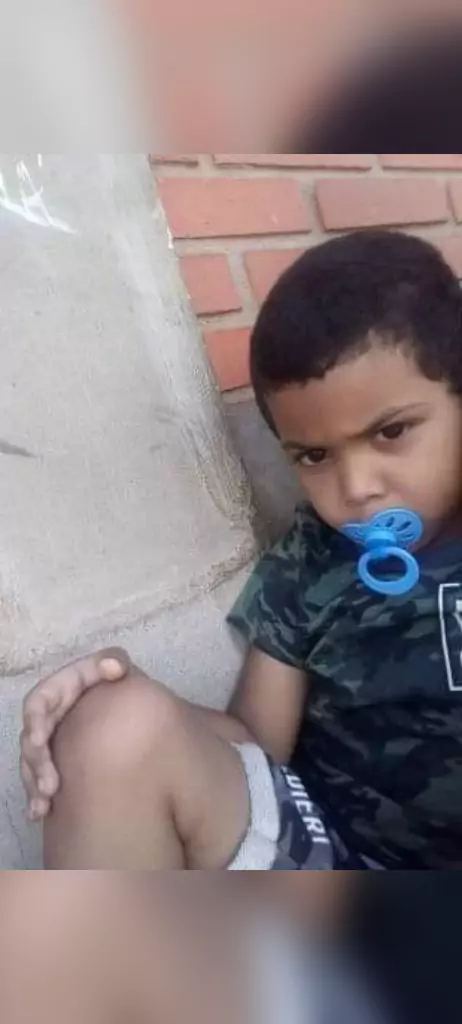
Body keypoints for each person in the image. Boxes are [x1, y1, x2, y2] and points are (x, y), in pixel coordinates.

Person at [20, 229, 462, 869]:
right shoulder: (310, 563)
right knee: (109, 726)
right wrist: (118, 691)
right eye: (314, 456)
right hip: (334, 866)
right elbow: (257, 743)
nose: (357, 488)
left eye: (391, 432)